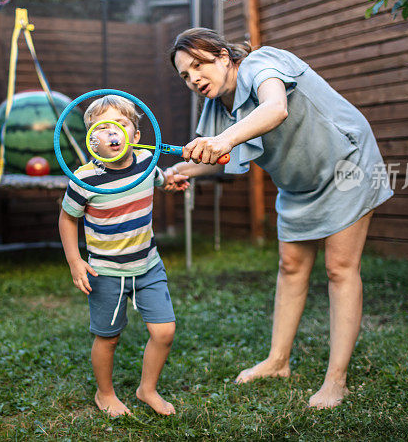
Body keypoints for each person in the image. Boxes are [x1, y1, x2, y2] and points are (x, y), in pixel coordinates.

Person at [162, 28, 393, 409]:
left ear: (223, 56)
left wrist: (225, 140)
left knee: (339, 268)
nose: (194, 79)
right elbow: (217, 156)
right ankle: (277, 361)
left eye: (199, 65)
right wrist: (181, 172)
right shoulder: (220, 104)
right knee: (290, 266)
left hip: (346, 165)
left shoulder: (262, 63)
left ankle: (336, 381)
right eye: (185, 76)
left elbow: (275, 108)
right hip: (298, 182)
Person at [58, 95, 187, 417]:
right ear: (91, 140)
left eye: (122, 124)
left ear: (136, 135)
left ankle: (147, 389)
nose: (113, 133)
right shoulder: (84, 179)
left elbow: (159, 179)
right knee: (109, 338)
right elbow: (67, 218)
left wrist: (171, 182)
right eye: (102, 129)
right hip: (105, 271)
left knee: (164, 331)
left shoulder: (146, 160)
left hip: (148, 264)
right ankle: (105, 394)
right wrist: (76, 261)